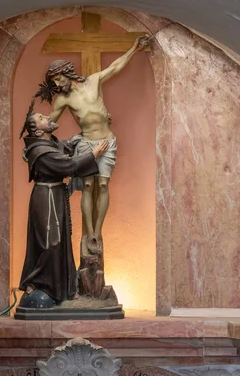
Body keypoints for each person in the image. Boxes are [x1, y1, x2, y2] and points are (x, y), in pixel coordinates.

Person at [41, 34, 150, 251]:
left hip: (106, 142)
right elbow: (50, 121)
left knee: (102, 184)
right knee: (88, 185)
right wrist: (36, 138)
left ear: (66, 74)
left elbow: (115, 67)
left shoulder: (93, 81)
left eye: (58, 79)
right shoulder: (63, 99)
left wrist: (134, 48)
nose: (56, 85)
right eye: (53, 81)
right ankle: (88, 233)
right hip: (86, 144)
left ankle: (97, 232)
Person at [18, 110, 109, 306]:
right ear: (38, 131)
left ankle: (60, 289)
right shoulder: (39, 151)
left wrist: (78, 139)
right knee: (50, 243)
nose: (48, 117)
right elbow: (66, 165)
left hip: (55, 195)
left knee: (60, 242)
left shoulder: (48, 145)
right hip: (47, 199)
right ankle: (40, 283)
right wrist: (93, 154)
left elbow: (62, 147)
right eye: (42, 118)